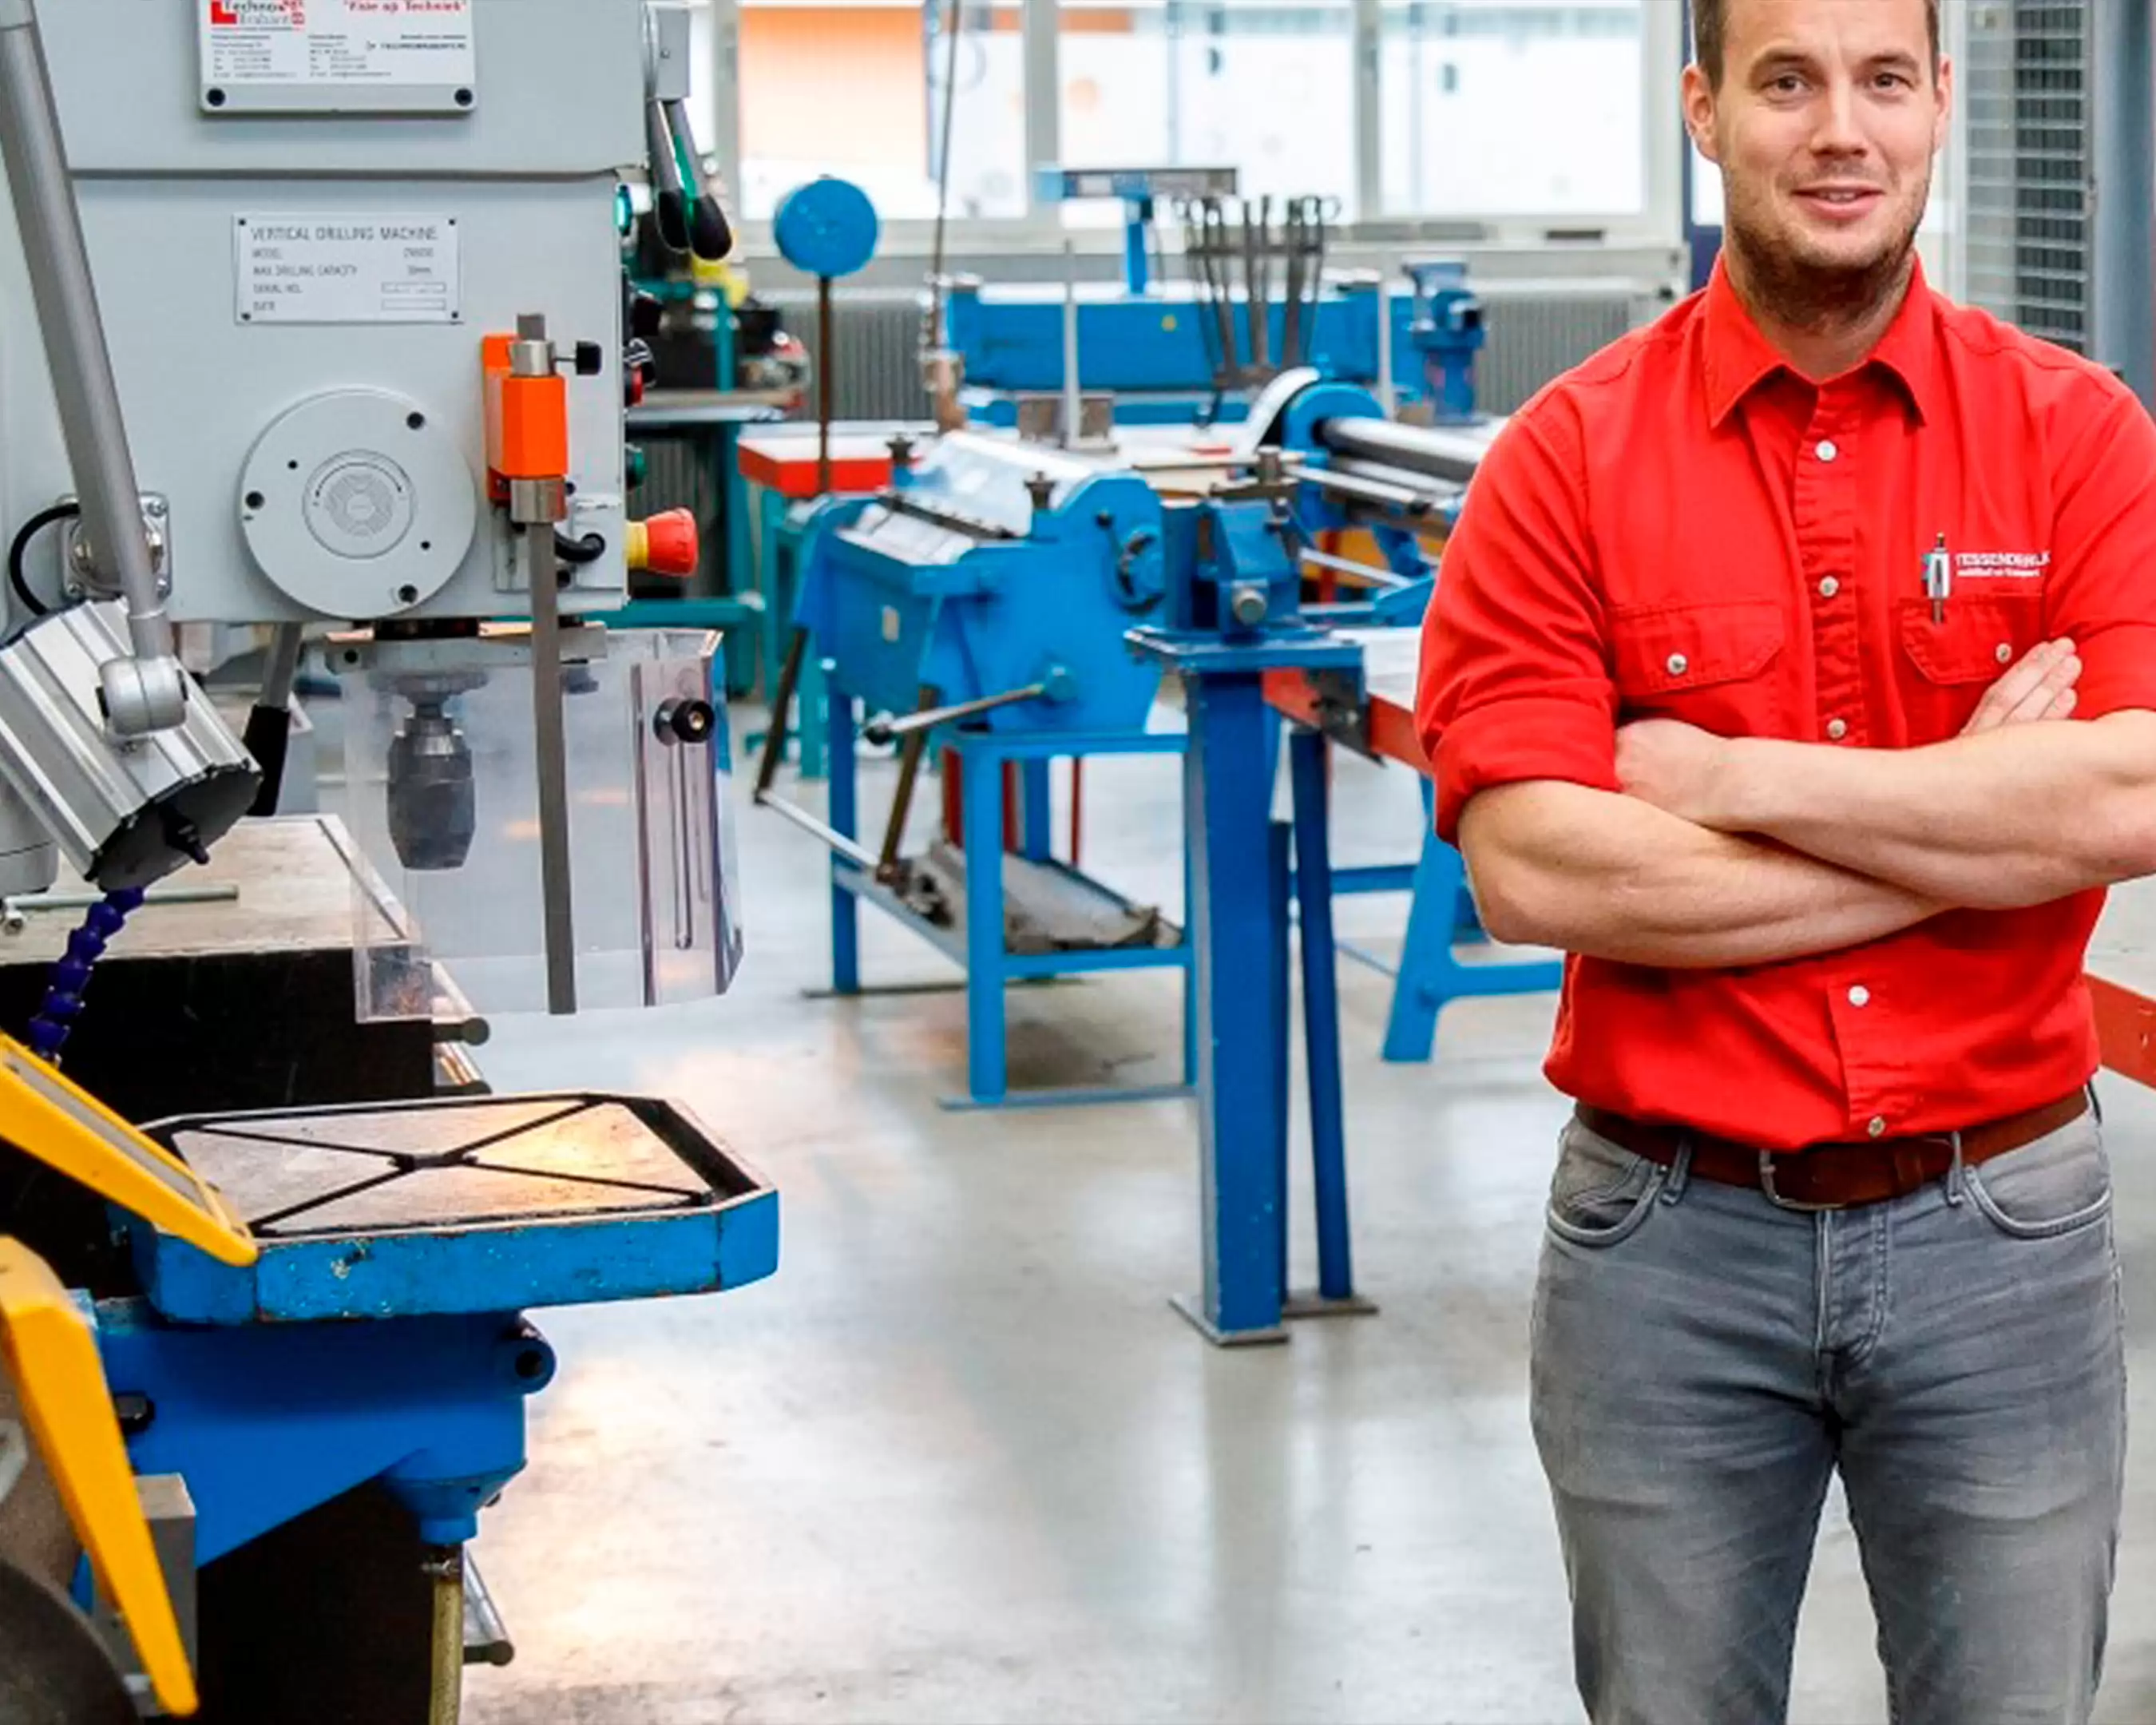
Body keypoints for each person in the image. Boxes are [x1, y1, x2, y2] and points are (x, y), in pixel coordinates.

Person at [1414, 1, 2156, 1720]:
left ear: (1940, 107)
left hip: (2006, 1229)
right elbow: (1534, 870)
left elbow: (2127, 797)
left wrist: (1731, 775)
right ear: (1705, 106)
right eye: (1789, 80)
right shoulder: (1565, 464)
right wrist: (1968, 813)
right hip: (1666, 1248)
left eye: (1885, 80)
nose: (1843, 129)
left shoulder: (2081, 437)